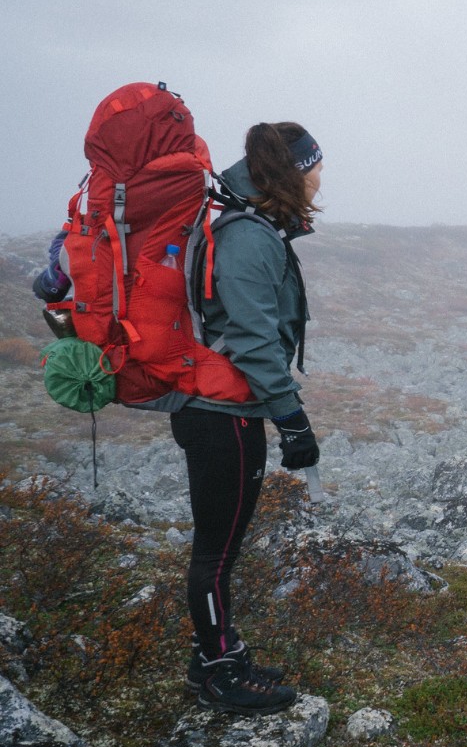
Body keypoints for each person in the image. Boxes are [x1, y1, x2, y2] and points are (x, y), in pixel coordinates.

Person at [34, 120, 324, 716]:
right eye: (316, 166)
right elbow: (252, 337)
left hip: (216, 411)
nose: (323, 177)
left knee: (219, 546)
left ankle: (216, 654)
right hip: (222, 416)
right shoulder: (249, 238)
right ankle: (219, 672)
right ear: (295, 174)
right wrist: (291, 418)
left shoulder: (250, 227)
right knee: (216, 553)